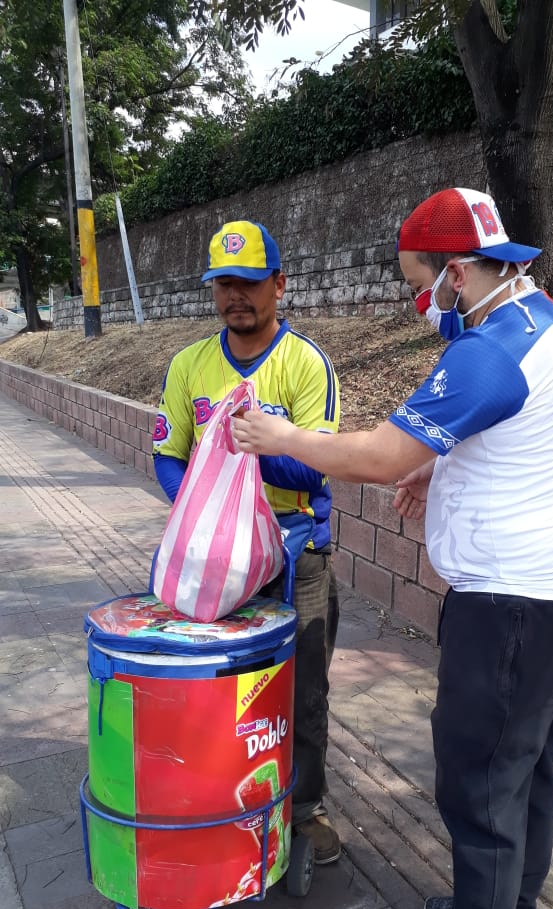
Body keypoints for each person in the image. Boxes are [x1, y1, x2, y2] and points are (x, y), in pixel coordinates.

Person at [231, 188, 553, 909]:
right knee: (527, 770)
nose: (422, 304)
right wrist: (442, 470)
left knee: (479, 792)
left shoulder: (486, 357)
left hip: (513, 608)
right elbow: (530, 435)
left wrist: (282, 438)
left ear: (454, 271)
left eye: (424, 285)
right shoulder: (542, 317)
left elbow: (376, 453)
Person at [152, 218, 342, 865]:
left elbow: (316, 465)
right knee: (219, 685)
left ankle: (304, 810)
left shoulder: (304, 364)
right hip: (216, 559)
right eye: (224, 284)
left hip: (295, 553)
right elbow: (168, 455)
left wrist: (247, 452)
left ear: (279, 285)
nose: (236, 296)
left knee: (302, 688)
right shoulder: (189, 366)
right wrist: (202, 506)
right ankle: (221, 799)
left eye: (250, 283)